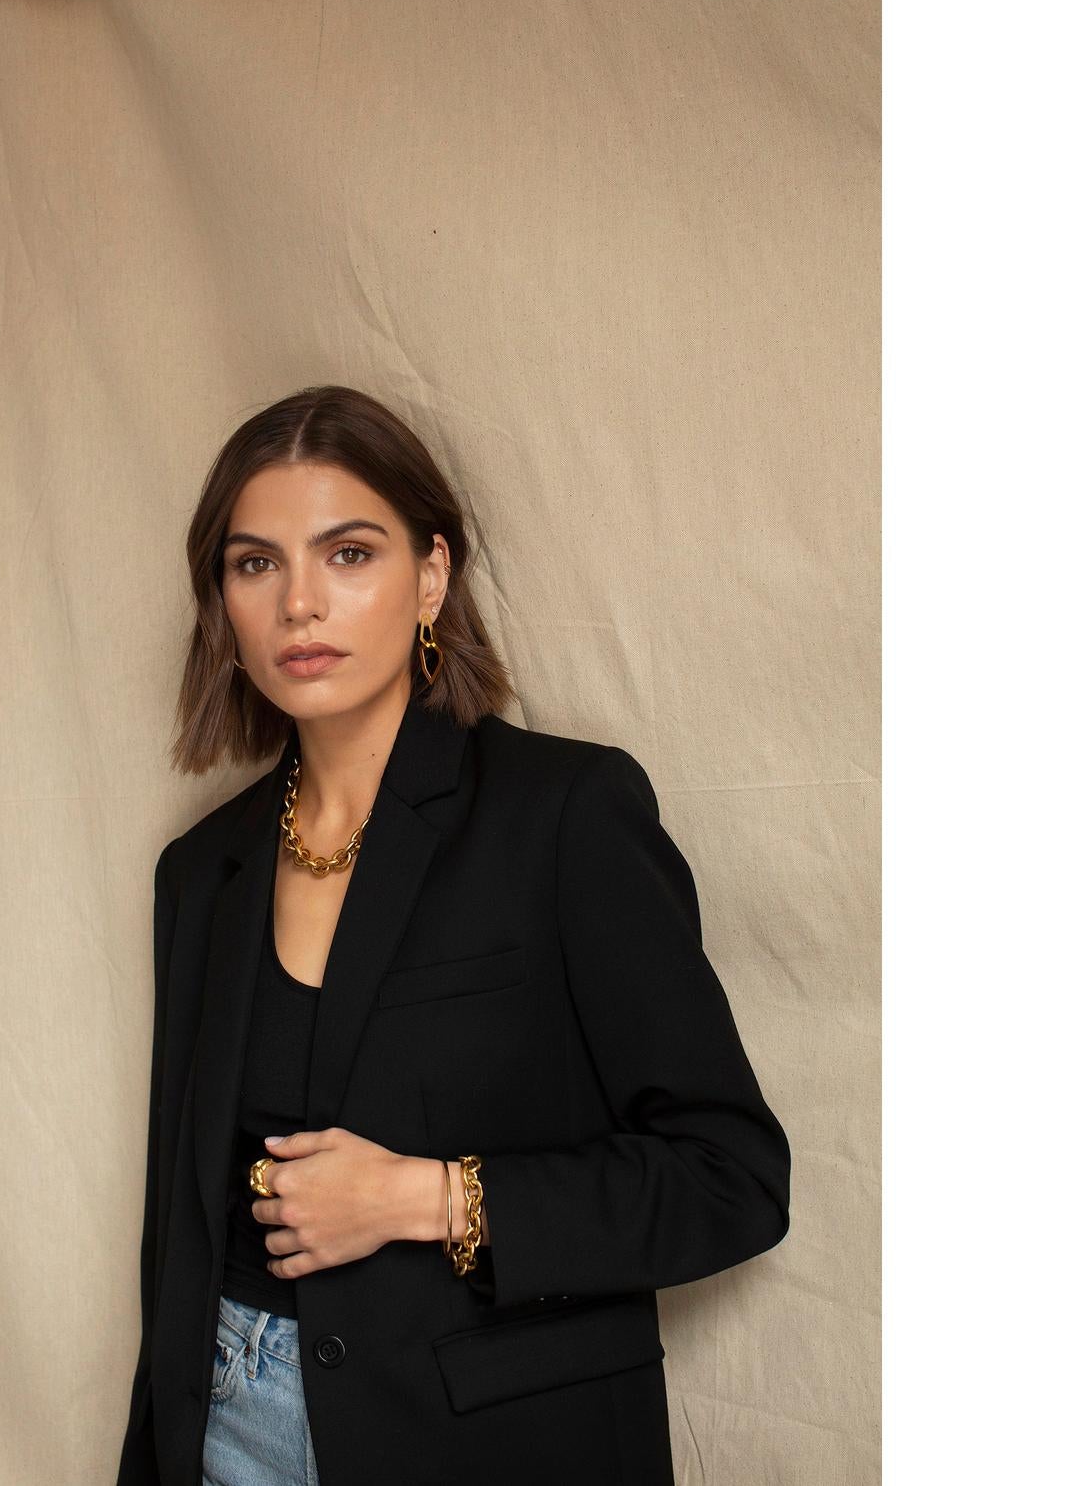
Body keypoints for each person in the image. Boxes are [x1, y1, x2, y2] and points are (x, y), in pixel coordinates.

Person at [116, 385, 791, 1486]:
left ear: (432, 576)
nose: (299, 603)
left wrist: (429, 1198)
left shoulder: (564, 815)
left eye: (348, 554)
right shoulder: (201, 872)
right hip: (230, 1420)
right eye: (255, 564)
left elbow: (732, 1179)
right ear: (222, 600)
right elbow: (178, 1235)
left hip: (490, 1444)